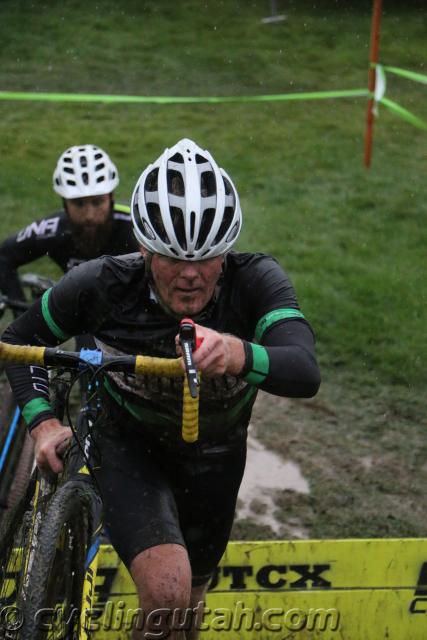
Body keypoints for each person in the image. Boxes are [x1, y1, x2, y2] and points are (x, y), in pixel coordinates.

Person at [3, 138, 321, 639]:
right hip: (129, 445)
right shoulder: (102, 282)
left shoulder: (256, 278)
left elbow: (304, 369)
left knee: (187, 612)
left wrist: (238, 353)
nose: (192, 275)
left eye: (209, 257)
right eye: (174, 258)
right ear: (144, 248)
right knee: (167, 591)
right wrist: (43, 423)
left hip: (216, 455)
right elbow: (19, 340)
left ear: (228, 249)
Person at [0, 144, 138, 302]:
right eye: (78, 204)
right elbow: (4, 256)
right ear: (65, 203)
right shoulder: (53, 228)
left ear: (111, 197)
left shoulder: (135, 229)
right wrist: (19, 310)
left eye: (98, 202)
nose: (89, 216)